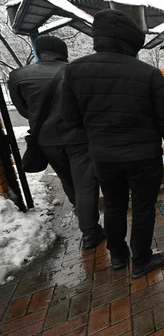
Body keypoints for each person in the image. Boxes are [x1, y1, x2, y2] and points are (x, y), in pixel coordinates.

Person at [60, 9, 164, 278]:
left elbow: (71, 118)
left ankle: (117, 255)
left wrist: (97, 135)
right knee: (142, 207)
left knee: (114, 205)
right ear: (131, 40)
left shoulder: (75, 71)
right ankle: (141, 259)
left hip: (104, 155)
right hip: (143, 155)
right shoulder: (148, 74)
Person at [9, 36, 102, 249]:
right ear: (63, 51)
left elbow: (25, 111)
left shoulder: (18, 77)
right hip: (79, 138)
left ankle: (84, 218)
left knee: (67, 180)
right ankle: (89, 232)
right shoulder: (76, 71)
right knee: (86, 184)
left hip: (46, 140)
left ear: (38, 51)